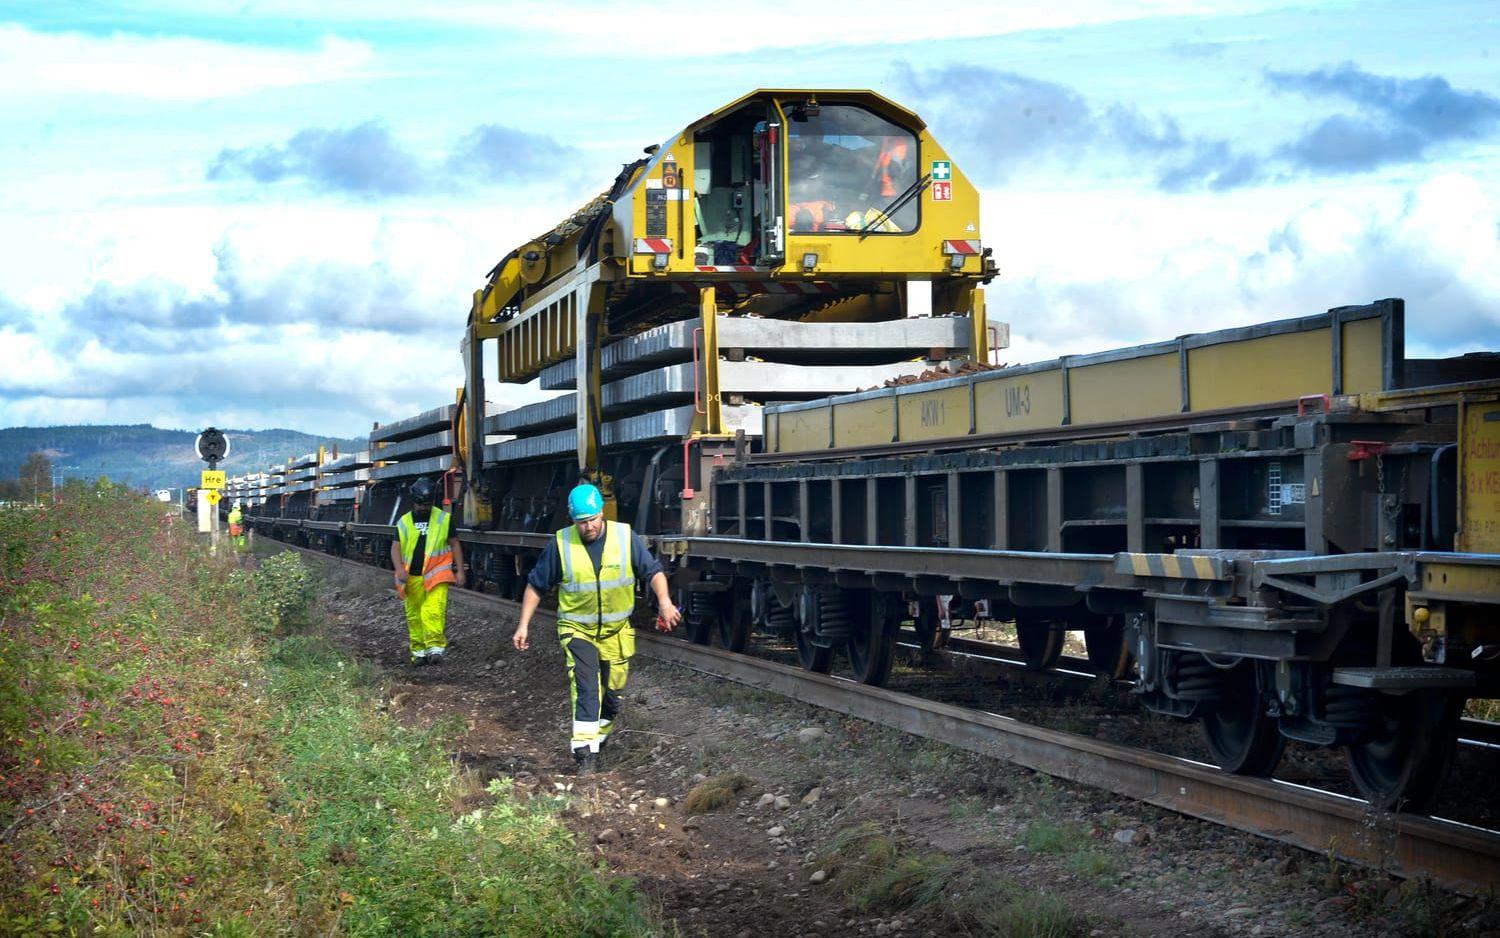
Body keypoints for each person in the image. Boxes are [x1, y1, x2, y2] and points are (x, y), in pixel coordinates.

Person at [511, 482, 681, 774]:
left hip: (616, 632)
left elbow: (653, 572)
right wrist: (523, 625)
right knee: (586, 685)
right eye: (582, 522)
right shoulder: (561, 544)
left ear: (602, 513)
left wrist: (665, 601)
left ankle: (598, 738)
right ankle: (584, 753)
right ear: (572, 519)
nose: (588, 527)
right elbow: (536, 586)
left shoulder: (624, 537)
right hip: (577, 629)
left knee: (613, 696)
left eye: (592, 519)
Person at [390, 477, 464, 666]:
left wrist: (460, 570)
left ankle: (435, 649)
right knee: (414, 615)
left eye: (428, 504)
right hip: (411, 577)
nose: (424, 508)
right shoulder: (404, 522)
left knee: (432, 611)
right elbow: (395, 548)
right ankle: (419, 652)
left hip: (437, 574)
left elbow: (455, 544)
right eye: (421, 504)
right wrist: (399, 570)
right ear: (414, 502)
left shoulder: (443, 519)